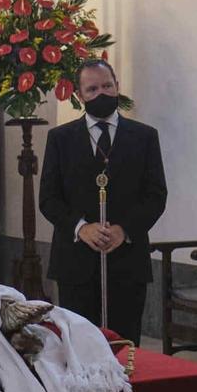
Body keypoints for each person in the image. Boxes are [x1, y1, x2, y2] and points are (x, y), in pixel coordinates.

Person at [38, 58, 167, 342]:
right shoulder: (61, 138)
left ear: (117, 87)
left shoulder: (144, 137)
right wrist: (82, 228)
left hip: (127, 260)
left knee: (124, 344)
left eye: (107, 86)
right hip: (76, 262)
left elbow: (156, 195)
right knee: (80, 344)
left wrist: (125, 230)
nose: (101, 94)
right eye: (92, 89)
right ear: (79, 95)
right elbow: (48, 199)